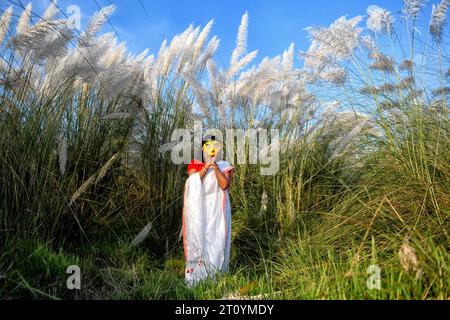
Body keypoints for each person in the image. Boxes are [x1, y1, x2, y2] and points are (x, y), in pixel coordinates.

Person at [182, 135, 234, 287]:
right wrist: (206, 166)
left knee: (217, 241)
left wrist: (215, 166)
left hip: (217, 212)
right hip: (199, 211)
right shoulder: (195, 164)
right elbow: (194, 183)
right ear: (203, 149)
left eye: (215, 146)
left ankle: (215, 278)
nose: (212, 150)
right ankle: (198, 279)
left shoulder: (224, 165)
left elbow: (224, 185)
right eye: (209, 146)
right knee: (199, 241)